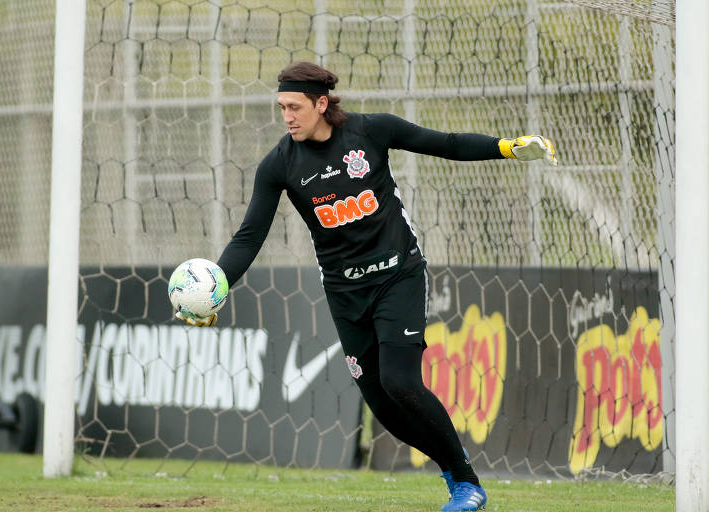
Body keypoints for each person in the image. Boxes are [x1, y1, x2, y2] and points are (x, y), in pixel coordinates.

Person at [176, 61, 556, 511]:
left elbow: (446, 144)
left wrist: (507, 148)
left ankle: (465, 483)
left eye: (295, 106)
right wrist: (217, 285)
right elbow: (248, 237)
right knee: (386, 408)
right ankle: (455, 463)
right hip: (344, 292)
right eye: (282, 108)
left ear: (321, 104)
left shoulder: (371, 132)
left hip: (398, 275)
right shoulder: (280, 164)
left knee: (400, 381)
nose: (288, 116)